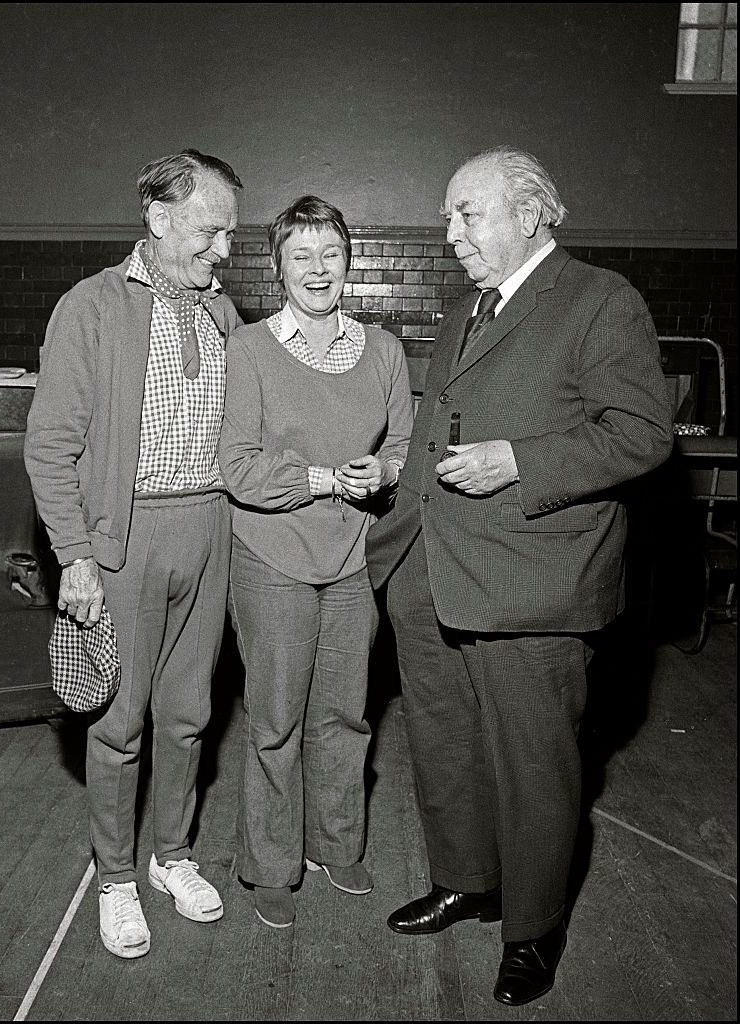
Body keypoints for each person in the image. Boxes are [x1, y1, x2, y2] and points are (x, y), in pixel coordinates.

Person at [365, 146, 673, 1005]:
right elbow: (437, 431)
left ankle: (533, 929)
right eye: (448, 214)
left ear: (531, 212)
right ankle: (468, 878)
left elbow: (643, 433)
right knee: (443, 745)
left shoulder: (600, 300)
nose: (450, 231)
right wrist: (395, 492)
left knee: (535, 765)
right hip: (430, 570)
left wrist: (519, 460)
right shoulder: (470, 306)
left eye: (468, 213)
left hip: (530, 579)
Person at [24, 149, 244, 959]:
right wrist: (74, 555)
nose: (223, 249)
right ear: (157, 218)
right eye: (209, 229)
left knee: (188, 716)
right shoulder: (88, 307)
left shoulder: (223, 313)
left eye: (229, 232)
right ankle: (116, 877)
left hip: (210, 532)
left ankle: (171, 857)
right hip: (124, 539)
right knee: (118, 723)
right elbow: (49, 446)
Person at [218, 195, 413, 929]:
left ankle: (339, 844)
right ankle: (269, 864)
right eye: (301, 255)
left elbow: (402, 448)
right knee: (275, 718)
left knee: (345, 713)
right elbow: (237, 467)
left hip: (354, 557)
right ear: (277, 268)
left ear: (349, 261)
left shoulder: (384, 349)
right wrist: (329, 478)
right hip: (273, 556)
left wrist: (386, 475)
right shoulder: (251, 349)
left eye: (330, 252)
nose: (318, 268)